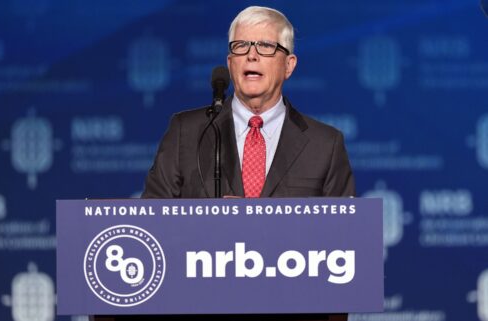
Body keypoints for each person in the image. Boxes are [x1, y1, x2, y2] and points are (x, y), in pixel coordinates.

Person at [140, 5, 354, 321]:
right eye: (241, 46)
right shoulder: (187, 132)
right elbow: (149, 230)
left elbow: (344, 249)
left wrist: (264, 231)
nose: (251, 56)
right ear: (230, 63)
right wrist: (206, 228)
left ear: (289, 65)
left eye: (266, 47)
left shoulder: (326, 145)